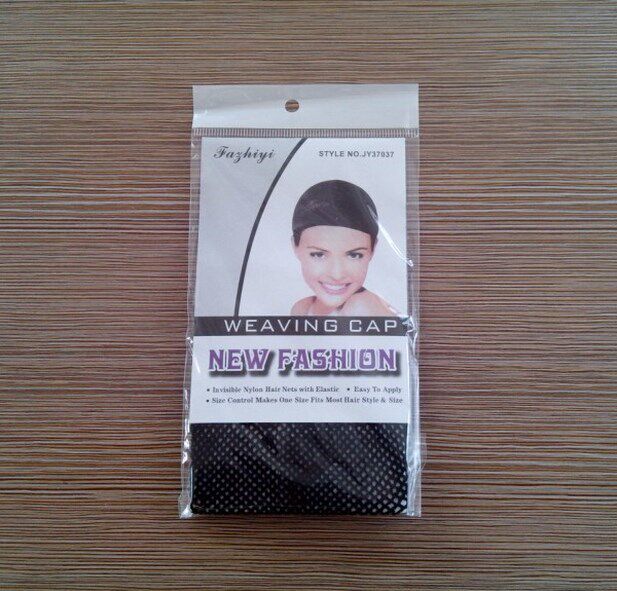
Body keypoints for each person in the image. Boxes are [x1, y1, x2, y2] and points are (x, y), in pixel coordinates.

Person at [291, 180, 396, 316]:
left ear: (373, 249)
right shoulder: (302, 308)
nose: (337, 275)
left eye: (354, 255)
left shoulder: (361, 307)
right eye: (318, 254)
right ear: (295, 246)